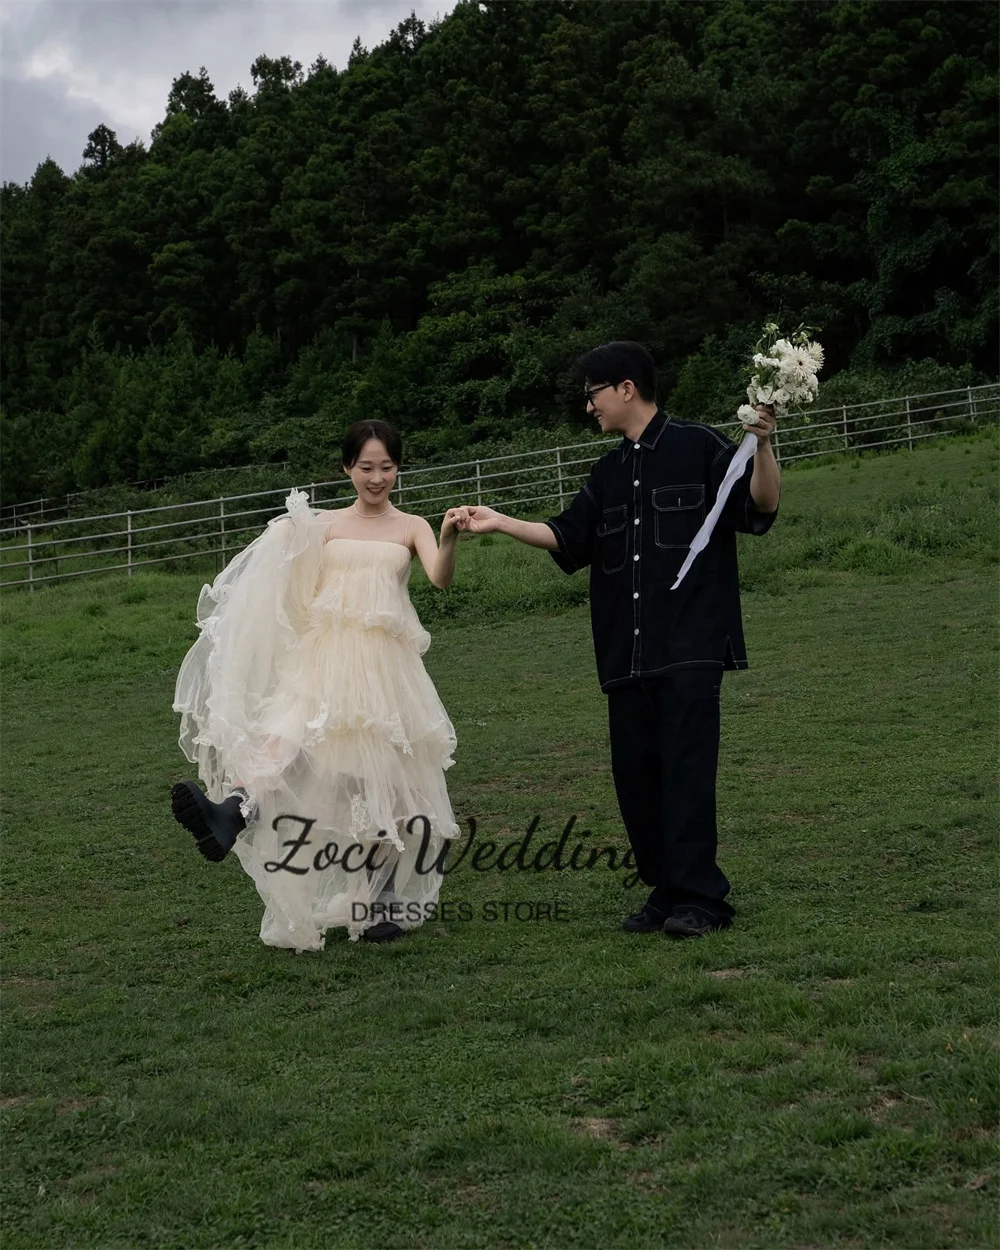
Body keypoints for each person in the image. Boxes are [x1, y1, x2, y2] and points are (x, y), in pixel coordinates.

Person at [457, 341, 779, 938]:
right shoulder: (605, 472)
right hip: (624, 653)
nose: (589, 407)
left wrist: (763, 443)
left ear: (625, 388)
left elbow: (760, 506)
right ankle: (665, 888)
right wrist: (500, 522)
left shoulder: (699, 446)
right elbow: (568, 537)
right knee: (636, 779)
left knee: (685, 773)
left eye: (592, 394)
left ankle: (701, 898)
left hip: (689, 646)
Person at [171, 420, 468, 950]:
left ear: (398, 468)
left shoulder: (412, 525)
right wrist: (286, 537)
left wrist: (447, 537)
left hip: (383, 668)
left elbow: (440, 577)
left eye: (386, 467)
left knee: (382, 781)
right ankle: (232, 811)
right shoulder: (323, 526)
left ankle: (378, 901)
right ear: (347, 469)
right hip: (323, 658)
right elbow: (292, 587)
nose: (376, 479)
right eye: (365, 467)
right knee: (284, 743)